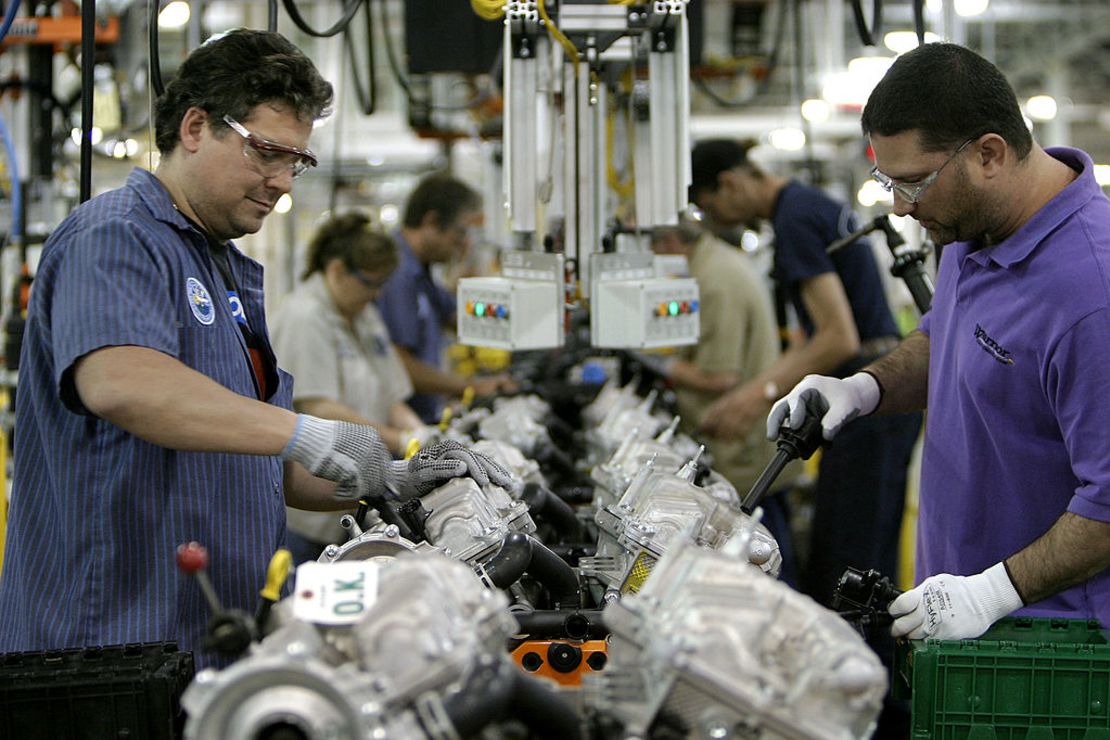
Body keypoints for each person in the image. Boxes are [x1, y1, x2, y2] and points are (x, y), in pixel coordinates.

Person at [0, 30, 510, 669]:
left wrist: (391, 478)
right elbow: (121, 383)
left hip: (208, 635)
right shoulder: (117, 237)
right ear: (195, 127)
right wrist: (303, 431)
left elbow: (273, 465)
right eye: (266, 152)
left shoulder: (223, 269)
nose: (280, 181)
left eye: (295, 161)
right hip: (108, 649)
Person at [770, 42, 1110, 642]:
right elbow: (947, 339)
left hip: (1051, 652)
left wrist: (992, 591)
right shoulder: (968, 230)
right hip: (959, 632)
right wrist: (862, 389)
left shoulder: (1091, 294)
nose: (900, 208)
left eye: (913, 182)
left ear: (989, 154)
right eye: (886, 181)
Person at [689, 139, 922, 609]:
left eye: (712, 208)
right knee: (861, 551)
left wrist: (754, 397)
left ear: (730, 183)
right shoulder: (810, 204)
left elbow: (838, 337)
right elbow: (812, 334)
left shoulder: (793, 218)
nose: (717, 223)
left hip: (865, 397)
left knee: (850, 568)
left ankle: (866, 678)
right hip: (878, 397)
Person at [647, 217, 800, 584]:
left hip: (740, 447)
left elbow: (720, 377)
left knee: (763, 563)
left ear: (668, 242)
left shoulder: (714, 280)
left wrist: (656, 360)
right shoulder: (717, 261)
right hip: (745, 443)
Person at [270, 212, 427, 563]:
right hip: (309, 512)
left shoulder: (364, 315)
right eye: (370, 283)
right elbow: (317, 405)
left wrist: (421, 434)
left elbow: (391, 395)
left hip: (357, 497)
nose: (376, 294)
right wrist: (398, 440)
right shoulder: (304, 316)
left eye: (381, 285)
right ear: (338, 270)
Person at [375, 172, 515, 424]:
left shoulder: (421, 271)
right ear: (431, 222)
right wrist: (469, 387)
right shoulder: (398, 272)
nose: (462, 243)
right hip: (402, 428)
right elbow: (400, 364)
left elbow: (462, 315)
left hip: (421, 417)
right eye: (460, 232)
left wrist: (522, 320)